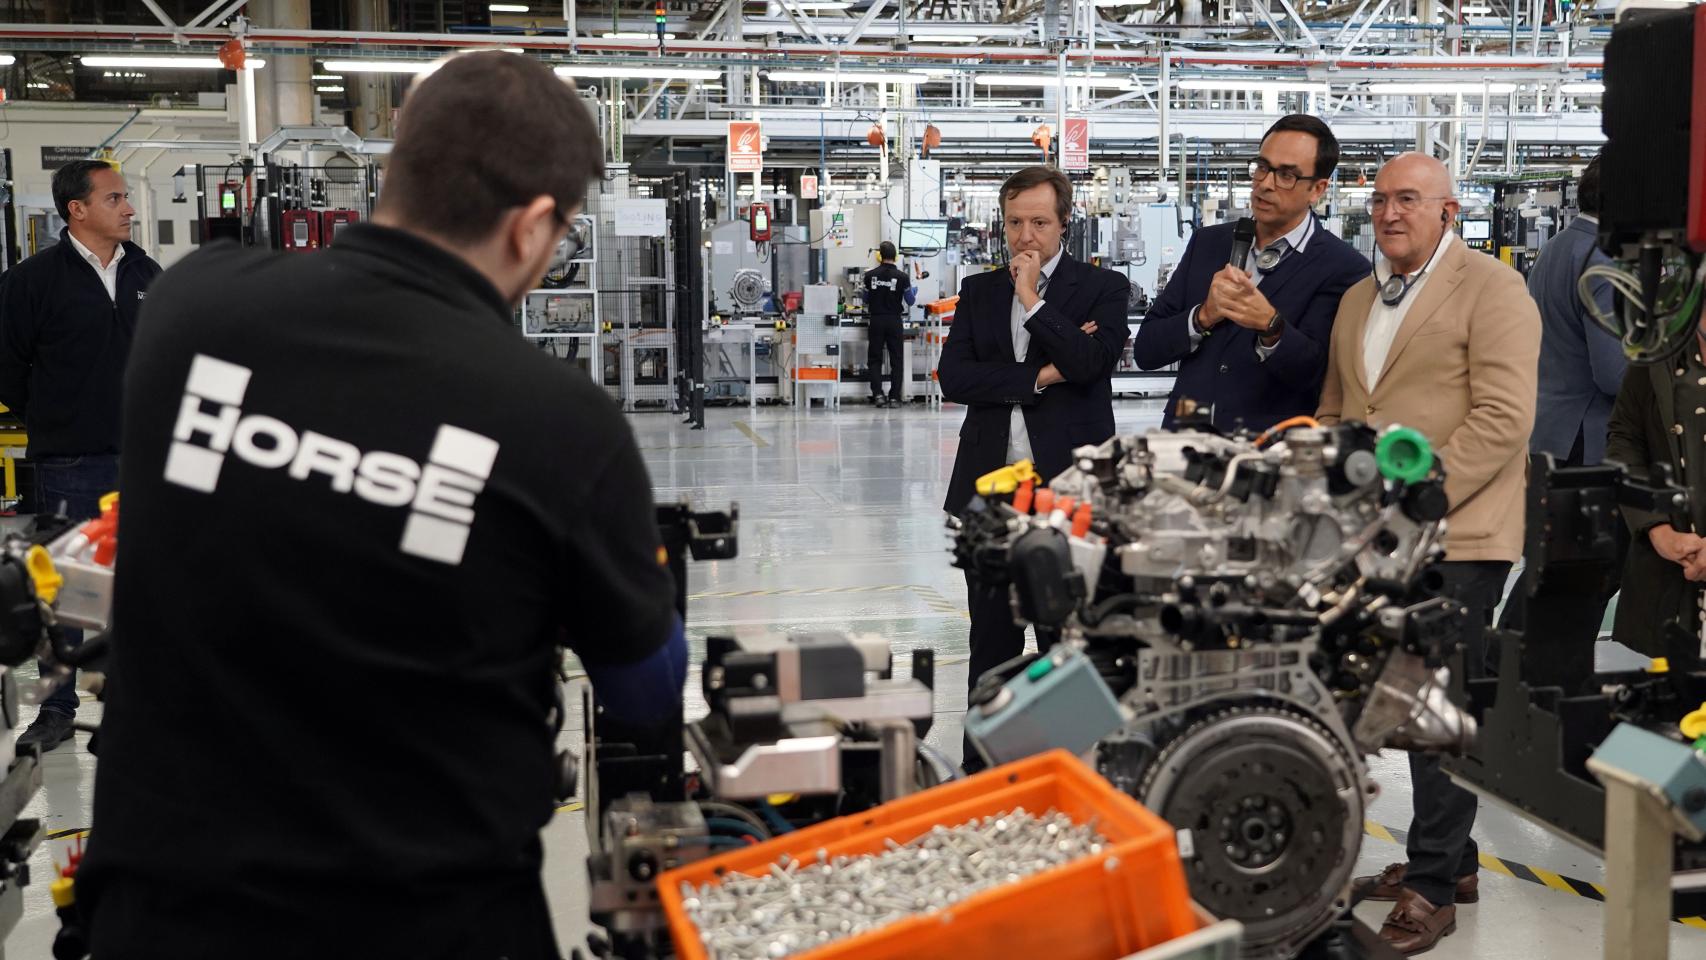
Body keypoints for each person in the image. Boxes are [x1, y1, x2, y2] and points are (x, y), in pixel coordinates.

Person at [78, 52, 686, 959]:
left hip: (166, 907)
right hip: (431, 917)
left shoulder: (193, 308)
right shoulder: (557, 420)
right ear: (530, 228)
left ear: (398, 165)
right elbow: (644, 686)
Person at [1318, 153, 1540, 955]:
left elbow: (1505, 417)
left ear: (1448, 211)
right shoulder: (1356, 299)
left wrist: (1418, 494)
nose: (1388, 213)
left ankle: (1432, 888)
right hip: (1374, 536)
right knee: (1389, 698)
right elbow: (1341, 408)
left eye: (1408, 199)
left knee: (1440, 712)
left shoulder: (1494, 289)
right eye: (1378, 200)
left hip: (1462, 533)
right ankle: (1458, 860)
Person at [938, 164, 1132, 773]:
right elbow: (956, 378)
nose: (1026, 236)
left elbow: (1091, 362)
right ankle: (981, 773)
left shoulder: (1104, 288)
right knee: (990, 640)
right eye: (1015, 222)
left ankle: (1066, 771)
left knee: (1068, 639)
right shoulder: (977, 290)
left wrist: (1033, 301)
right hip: (990, 494)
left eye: (1039, 223)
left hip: (1072, 491)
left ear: (1065, 225)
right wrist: (1041, 375)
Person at [0, 158, 161, 751]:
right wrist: (56, 415)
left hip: (140, 458)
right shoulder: (32, 281)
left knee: (138, 586)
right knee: (67, 591)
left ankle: (129, 700)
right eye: (116, 197)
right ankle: (58, 709)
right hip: (69, 458)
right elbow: (8, 369)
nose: (129, 207)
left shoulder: (145, 270)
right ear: (79, 209)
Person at [1132, 115, 1369, 432]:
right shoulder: (1209, 243)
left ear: (1317, 189)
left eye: (1286, 175)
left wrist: (1271, 326)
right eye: (1262, 167)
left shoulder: (1343, 268)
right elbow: (1147, 349)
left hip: (1269, 456)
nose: (1266, 184)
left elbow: (1318, 375)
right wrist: (1203, 316)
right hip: (1184, 439)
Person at [1500, 155, 1626, 631]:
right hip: (1590, 442)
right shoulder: (1605, 256)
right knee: (1580, 574)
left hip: (1553, 433)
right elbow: (1613, 371)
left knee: (1553, 567)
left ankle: (1504, 667)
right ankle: (1514, 674)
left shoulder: (1558, 247)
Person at [1604, 322, 1706, 661]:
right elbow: (1625, 438)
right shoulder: (1660, 344)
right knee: (1684, 703)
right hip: (1678, 574)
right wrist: (1656, 529)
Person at [861, 241, 917, 406]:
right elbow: (910, 301)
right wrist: (912, 291)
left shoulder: (869, 276)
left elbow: (865, 299)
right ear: (896, 256)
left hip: (876, 320)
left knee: (875, 358)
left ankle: (878, 395)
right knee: (896, 359)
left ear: (879, 256)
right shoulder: (902, 277)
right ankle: (894, 397)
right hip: (894, 321)